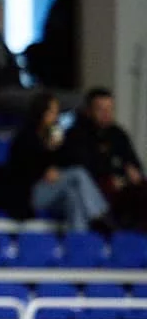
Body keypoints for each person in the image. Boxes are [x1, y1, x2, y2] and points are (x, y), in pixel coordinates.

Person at [2, 94, 108, 233]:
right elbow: (22, 169)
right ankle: (100, 214)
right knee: (78, 174)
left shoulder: (55, 134)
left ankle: (78, 239)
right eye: (52, 112)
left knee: (73, 197)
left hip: (52, 190)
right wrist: (44, 166)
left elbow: (66, 162)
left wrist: (58, 147)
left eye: (57, 112)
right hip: (29, 193)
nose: (56, 116)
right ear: (42, 113)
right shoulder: (25, 137)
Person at [63, 88, 147, 230]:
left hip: (123, 187)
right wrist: (111, 177)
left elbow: (133, 164)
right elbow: (83, 168)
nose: (106, 114)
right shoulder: (77, 134)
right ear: (89, 111)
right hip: (96, 188)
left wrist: (131, 174)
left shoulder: (118, 134)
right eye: (101, 109)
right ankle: (105, 220)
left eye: (109, 109)